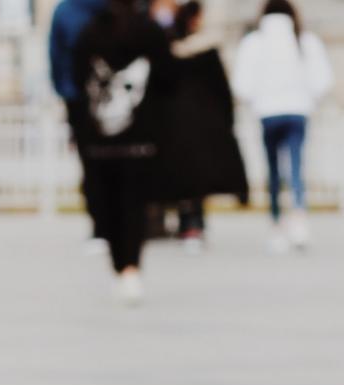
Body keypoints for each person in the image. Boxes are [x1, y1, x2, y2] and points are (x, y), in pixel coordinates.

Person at [69, 0, 172, 301]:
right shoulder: (150, 32)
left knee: (109, 207)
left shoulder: (88, 34)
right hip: (140, 141)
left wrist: (79, 131)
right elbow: (167, 79)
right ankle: (131, 269)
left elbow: (77, 84)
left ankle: (119, 267)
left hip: (99, 142)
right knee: (134, 207)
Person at [232, 0, 334, 253]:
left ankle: (276, 224)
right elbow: (322, 79)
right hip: (298, 110)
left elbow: (242, 83)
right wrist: (308, 98)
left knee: (273, 171)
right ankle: (299, 220)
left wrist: (256, 100)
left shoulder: (254, 42)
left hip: (267, 111)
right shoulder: (304, 40)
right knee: (297, 166)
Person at [159, 1, 250, 250]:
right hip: (201, 124)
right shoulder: (206, 52)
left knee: (182, 177)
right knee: (195, 178)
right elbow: (222, 91)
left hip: (175, 124)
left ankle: (186, 221)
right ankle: (194, 223)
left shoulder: (168, 50)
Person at [50, 0, 111, 249]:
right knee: (105, 164)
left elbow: (57, 57)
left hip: (84, 98)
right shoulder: (71, 11)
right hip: (103, 97)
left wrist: (68, 93)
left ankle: (101, 226)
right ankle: (107, 224)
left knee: (94, 165)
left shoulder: (68, 11)